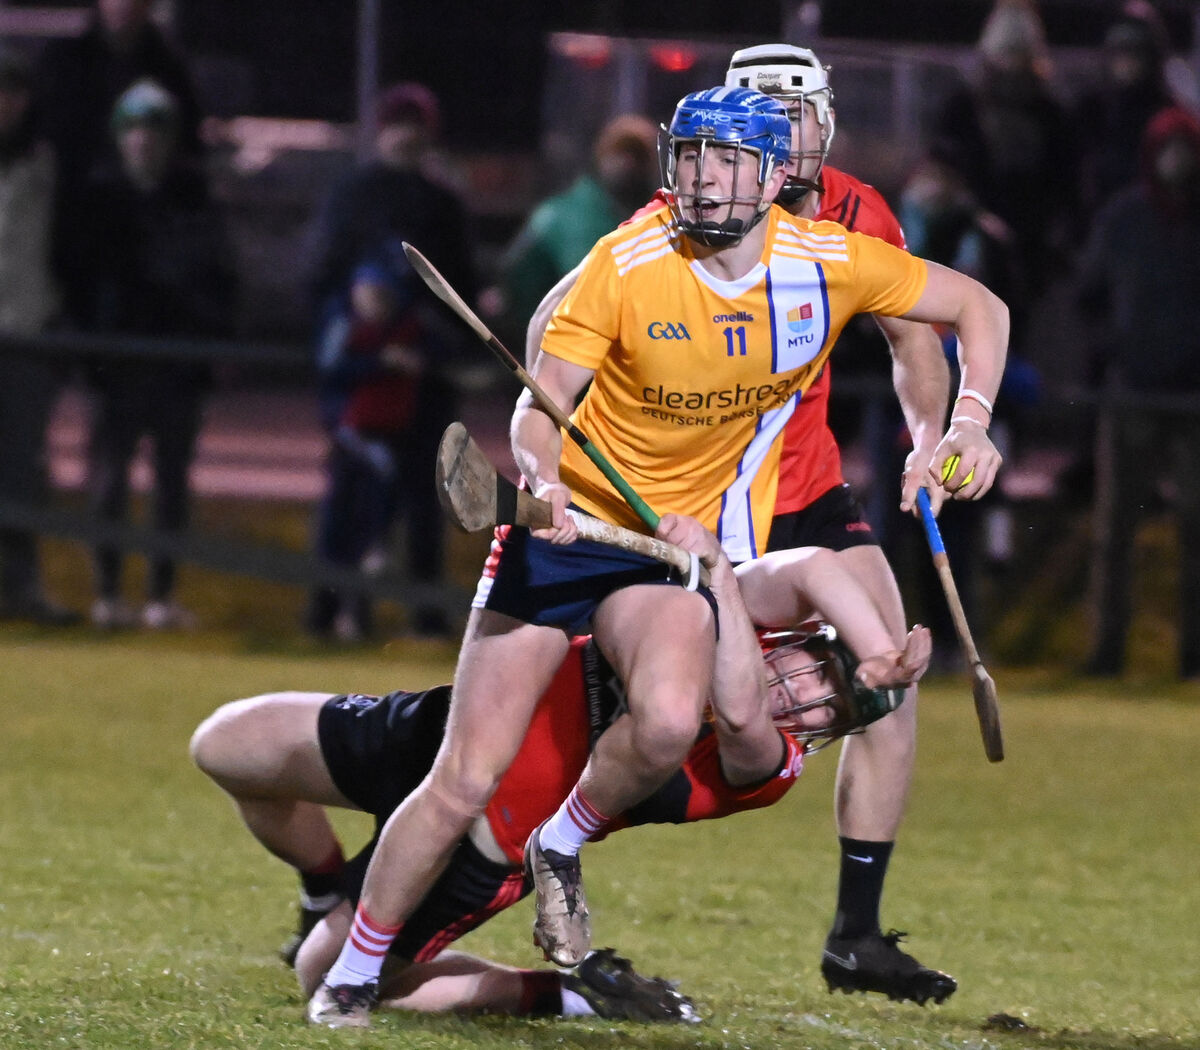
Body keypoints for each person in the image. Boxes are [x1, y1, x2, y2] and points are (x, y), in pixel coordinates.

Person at [303, 83, 1006, 1027]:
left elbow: (978, 306)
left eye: (726, 161)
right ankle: (354, 966)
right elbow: (537, 403)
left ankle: (560, 843)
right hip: (568, 535)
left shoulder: (826, 264)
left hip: (657, 549)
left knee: (673, 720)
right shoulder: (627, 264)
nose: (702, 180)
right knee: (464, 775)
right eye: (691, 157)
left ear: (771, 175)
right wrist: (540, 477)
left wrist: (970, 423)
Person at [524, 44, 1001, 1003]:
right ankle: (542, 831)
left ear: (820, 129)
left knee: (883, 686)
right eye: (762, 116)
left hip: (806, 481)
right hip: (694, 491)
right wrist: (545, 448)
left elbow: (924, 336)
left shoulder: (854, 219)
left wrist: (944, 434)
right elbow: (555, 328)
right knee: (690, 715)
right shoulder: (679, 216)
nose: (781, 133)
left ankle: (855, 935)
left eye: (798, 116)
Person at [191, 533, 933, 1024]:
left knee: (327, 970)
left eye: (830, 704)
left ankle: (557, 993)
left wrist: (722, 579)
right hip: (456, 732)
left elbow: (740, 715)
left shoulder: (771, 766)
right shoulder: (743, 624)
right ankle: (325, 883)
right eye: (818, 670)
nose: (806, 693)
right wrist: (874, 645)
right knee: (227, 746)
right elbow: (813, 567)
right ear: (804, 639)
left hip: (493, 838)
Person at [305, 82, 476, 637]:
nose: (406, 134)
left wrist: (433, 347)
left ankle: (424, 618)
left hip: (422, 382)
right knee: (348, 505)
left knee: (427, 503)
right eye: (396, 123)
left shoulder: (443, 205)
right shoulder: (351, 195)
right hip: (364, 383)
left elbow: (460, 293)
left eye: (415, 124)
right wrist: (362, 345)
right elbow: (322, 280)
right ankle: (328, 614)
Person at [70, 79, 236, 629]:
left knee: (170, 485)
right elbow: (77, 280)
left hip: (175, 365)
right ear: (121, 135)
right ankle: (109, 593)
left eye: (155, 128)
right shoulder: (97, 198)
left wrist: (211, 343)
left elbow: (219, 278)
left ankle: (160, 597)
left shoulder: (194, 200)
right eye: (135, 127)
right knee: (110, 482)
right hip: (113, 364)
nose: (144, 139)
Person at [1076, 105, 1200, 679]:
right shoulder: (1125, 218)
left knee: (1195, 531)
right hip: (1131, 394)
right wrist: (1112, 353)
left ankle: (1192, 657)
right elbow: (1089, 291)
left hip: (1192, 399)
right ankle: (1106, 654)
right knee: (1114, 532)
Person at [305, 247, 456, 641]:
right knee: (342, 533)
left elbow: (447, 360)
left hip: (405, 443)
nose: (374, 302)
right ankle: (328, 616)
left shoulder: (417, 327)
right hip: (355, 445)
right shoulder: (344, 325)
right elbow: (331, 371)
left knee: (393, 535)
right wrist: (380, 362)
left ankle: (415, 620)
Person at [0, 45, 79, 625]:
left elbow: (68, 247)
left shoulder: (48, 165)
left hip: (25, 333)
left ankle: (20, 586)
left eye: (14, 91)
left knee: (23, 470)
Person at [497, 113, 658, 341]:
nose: (628, 163)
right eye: (621, 152)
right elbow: (585, 288)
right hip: (554, 342)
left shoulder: (646, 216)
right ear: (601, 155)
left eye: (638, 155)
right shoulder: (569, 215)